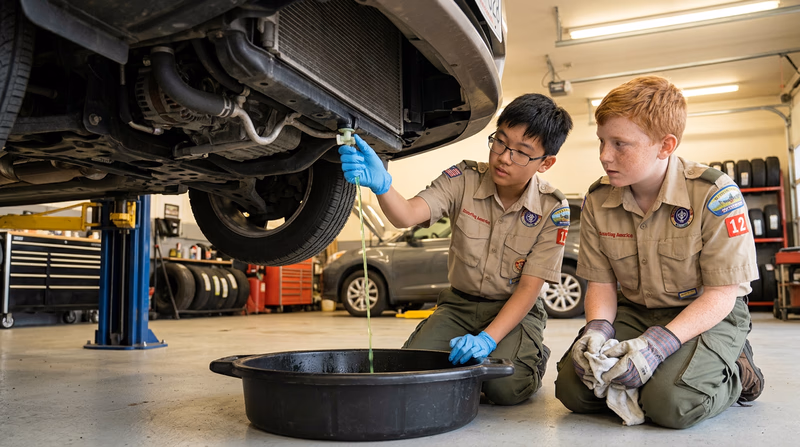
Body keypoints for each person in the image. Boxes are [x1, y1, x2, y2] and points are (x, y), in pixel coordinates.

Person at [554, 76, 765, 428]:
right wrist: (597, 330)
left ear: (665, 145)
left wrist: (659, 346)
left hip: (705, 313)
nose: (605, 156)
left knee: (670, 405)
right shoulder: (597, 199)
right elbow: (602, 284)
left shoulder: (713, 195)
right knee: (574, 390)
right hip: (637, 310)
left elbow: (723, 294)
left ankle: (737, 370)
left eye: (621, 144)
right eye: (602, 141)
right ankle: (670, 371)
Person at [338, 94, 573, 405]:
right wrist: (383, 185)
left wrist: (488, 339)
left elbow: (529, 289)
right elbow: (407, 214)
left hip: (515, 311)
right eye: (500, 142)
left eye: (521, 153)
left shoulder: (552, 209)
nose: (503, 157)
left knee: (505, 389)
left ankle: (532, 357)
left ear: (545, 162)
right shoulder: (462, 179)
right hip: (458, 307)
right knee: (413, 374)